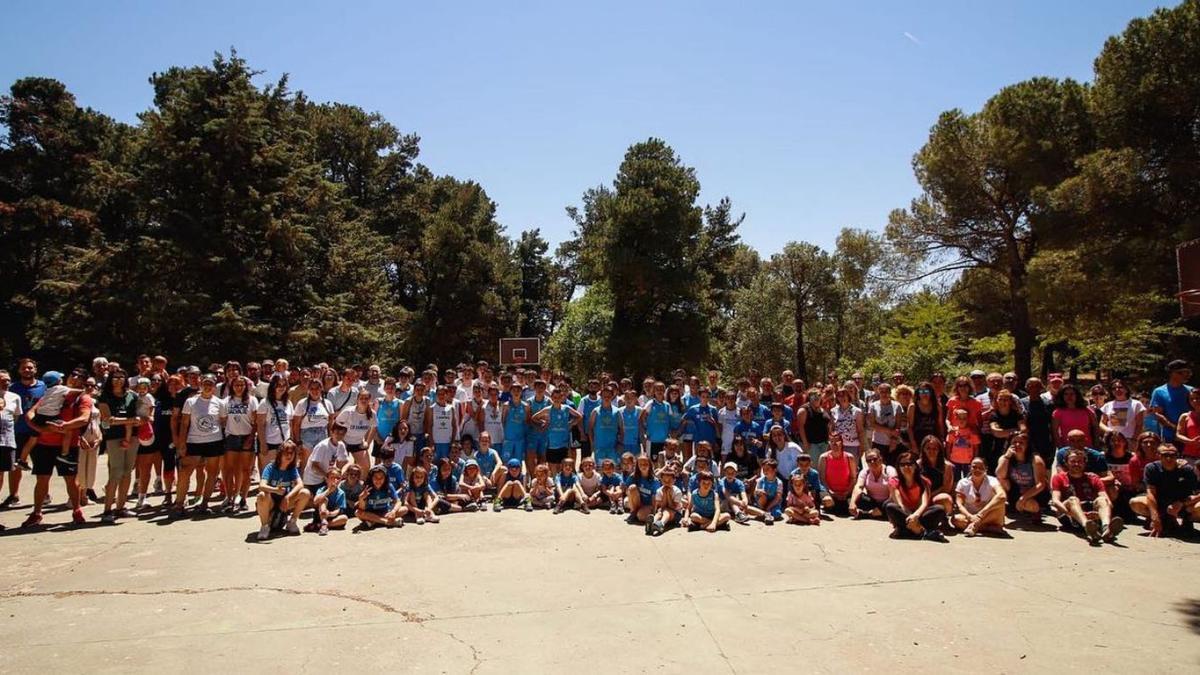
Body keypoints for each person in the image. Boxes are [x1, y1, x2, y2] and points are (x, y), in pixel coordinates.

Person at [21, 368, 92, 527]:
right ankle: (37, 513)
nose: (74, 378)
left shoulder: (82, 398)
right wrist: (42, 429)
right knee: (42, 479)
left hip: (67, 445)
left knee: (71, 480)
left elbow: (84, 418)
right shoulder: (50, 393)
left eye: (79, 377)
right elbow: (30, 414)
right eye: (72, 374)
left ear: (83, 381)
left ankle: (77, 510)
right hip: (44, 444)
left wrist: (65, 426)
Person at [174, 374, 227, 517]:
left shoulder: (220, 403)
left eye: (211, 384)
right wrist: (182, 444)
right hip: (194, 441)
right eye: (205, 384)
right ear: (201, 385)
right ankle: (179, 504)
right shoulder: (190, 402)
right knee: (185, 472)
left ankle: (204, 504)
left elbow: (222, 422)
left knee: (212, 473)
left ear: (214, 387)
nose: (208, 387)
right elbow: (184, 423)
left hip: (214, 441)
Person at [1051, 448, 1123, 544]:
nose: (1076, 464)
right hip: (1069, 514)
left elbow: (1107, 500)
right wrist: (1071, 514)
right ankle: (1087, 527)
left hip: (1091, 513)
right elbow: (1055, 501)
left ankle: (1106, 528)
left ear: (1085, 463)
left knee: (1102, 500)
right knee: (1073, 499)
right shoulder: (1059, 478)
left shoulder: (1093, 477)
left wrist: (1098, 515)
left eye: (1080, 461)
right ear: (1066, 463)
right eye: (1073, 461)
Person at [1130, 444, 1200, 538]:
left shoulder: (1187, 469)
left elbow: (1197, 493)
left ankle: (1187, 522)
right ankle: (1163, 520)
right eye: (1165, 455)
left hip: (1183, 505)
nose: (1169, 458)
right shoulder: (1151, 468)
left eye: (1172, 455)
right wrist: (1154, 516)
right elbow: (1150, 493)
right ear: (1158, 455)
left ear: (1177, 456)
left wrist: (1181, 503)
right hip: (1161, 503)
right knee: (1135, 502)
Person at [885, 451, 948, 541]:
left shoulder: (924, 481)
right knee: (890, 506)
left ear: (915, 465)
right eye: (902, 464)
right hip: (905, 513)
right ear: (898, 467)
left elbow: (924, 503)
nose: (906, 467)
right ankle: (922, 532)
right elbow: (900, 504)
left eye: (909, 463)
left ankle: (906, 531)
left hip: (920, 514)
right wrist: (911, 518)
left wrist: (916, 516)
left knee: (939, 509)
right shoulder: (894, 482)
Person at [221, 375, 258, 513]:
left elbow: (255, 422)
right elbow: (223, 421)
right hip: (231, 437)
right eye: (236, 385)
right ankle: (230, 497)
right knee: (229, 469)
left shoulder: (252, 401)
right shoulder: (226, 401)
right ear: (232, 386)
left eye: (242, 385)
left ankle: (243, 498)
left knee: (246, 470)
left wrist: (250, 437)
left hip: (247, 437)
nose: (239, 387)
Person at [255, 441, 305, 540]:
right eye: (286, 453)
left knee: (305, 493)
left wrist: (288, 496)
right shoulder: (271, 467)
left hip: (285, 502)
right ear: (280, 454)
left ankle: (292, 522)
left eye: (292, 453)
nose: (289, 456)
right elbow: (261, 486)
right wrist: (275, 490)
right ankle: (264, 526)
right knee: (261, 495)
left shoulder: (292, 468)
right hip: (271, 501)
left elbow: (300, 484)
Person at [996, 433, 1048, 523]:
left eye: (1021, 442)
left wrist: (1023, 498)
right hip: (1016, 490)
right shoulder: (1005, 458)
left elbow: (1041, 484)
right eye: (1014, 442)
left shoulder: (1036, 460)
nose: (1017, 445)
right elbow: (1000, 476)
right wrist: (1007, 457)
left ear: (1027, 445)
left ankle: (1035, 511)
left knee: (1032, 505)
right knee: (1000, 480)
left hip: (1034, 492)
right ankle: (1010, 505)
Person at [951, 457, 1007, 537]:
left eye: (981, 468)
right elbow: (959, 505)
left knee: (1001, 503)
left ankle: (975, 526)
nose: (977, 470)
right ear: (970, 468)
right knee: (955, 519)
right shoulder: (963, 483)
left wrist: (980, 515)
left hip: (989, 515)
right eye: (974, 467)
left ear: (986, 469)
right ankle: (987, 528)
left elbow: (1002, 495)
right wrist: (970, 516)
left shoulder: (992, 480)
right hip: (970, 516)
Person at [1148, 360, 1193, 445]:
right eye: (1182, 373)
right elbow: (1158, 415)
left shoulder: (1191, 391)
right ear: (1172, 373)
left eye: (1188, 373)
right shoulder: (1159, 392)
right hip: (1170, 437)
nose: (1186, 376)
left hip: (1191, 436)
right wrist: (1176, 428)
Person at [336, 389, 376, 473]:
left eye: (366, 398)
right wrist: (339, 441)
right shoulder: (348, 411)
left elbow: (374, 428)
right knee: (341, 469)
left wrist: (367, 443)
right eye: (361, 398)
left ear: (369, 400)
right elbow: (336, 424)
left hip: (358, 443)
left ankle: (360, 484)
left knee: (366, 467)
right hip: (344, 442)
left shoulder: (372, 414)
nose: (364, 400)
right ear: (357, 399)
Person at [849, 449, 896, 520]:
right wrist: (852, 503)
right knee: (854, 499)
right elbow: (858, 487)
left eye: (875, 459)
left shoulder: (889, 470)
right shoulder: (865, 472)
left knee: (890, 506)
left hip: (887, 501)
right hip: (872, 502)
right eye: (869, 460)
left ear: (880, 459)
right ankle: (877, 513)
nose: (872, 462)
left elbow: (894, 491)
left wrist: (882, 507)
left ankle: (867, 514)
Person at [818, 435, 858, 515]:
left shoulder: (849, 457)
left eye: (837, 441)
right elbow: (822, 479)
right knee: (828, 501)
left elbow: (853, 478)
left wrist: (847, 492)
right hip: (830, 492)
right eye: (832, 441)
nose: (834, 444)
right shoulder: (823, 457)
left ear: (842, 443)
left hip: (846, 492)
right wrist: (831, 492)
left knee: (853, 506)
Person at [356, 465, 405, 530]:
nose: (378, 480)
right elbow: (361, 509)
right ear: (371, 478)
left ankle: (373, 522)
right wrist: (361, 498)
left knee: (404, 509)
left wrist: (393, 511)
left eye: (381, 478)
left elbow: (398, 501)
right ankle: (386, 522)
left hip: (385, 512)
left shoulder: (389, 486)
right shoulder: (367, 487)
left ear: (385, 478)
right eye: (375, 477)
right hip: (370, 512)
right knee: (358, 513)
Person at [1051, 384, 1097, 449]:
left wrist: (1096, 444)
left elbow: (1095, 428)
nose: (1069, 396)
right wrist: (1060, 447)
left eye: (1072, 394)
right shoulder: (1057, 412)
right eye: (1066, 394)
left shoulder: (1087, 411)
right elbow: (1055, 432)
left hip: (1087, 447)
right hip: (1067, 449)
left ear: (1077, 395)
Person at [307, 466, 349, 535]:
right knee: (324, 499)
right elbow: (315, 501)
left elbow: (338, 510)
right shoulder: (322, 489)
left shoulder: (341, 493)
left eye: (338, 478)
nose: (335, 480)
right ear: (326, 479)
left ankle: (319, 525)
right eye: (332, 478)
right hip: (320, 515)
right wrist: (328, 491)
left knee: (344, 518)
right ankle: (323, 522)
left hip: (332, 516)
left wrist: (329, 514)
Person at [646, 466, 684, 536]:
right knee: (659, 512)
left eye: (669, 480)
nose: (667, 483)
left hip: (676, 514)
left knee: (666, 511)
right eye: (664, 481)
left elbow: (673, 507)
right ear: (661, 480)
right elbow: (661, 506)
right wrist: (664, 495)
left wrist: (667, 495)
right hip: (664, 511)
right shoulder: (659, 491)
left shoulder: (677, 491)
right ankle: (653, 523)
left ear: (674, 480)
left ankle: (661, 524)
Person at [946, 407, 980, 481]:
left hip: (968, 461)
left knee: (968, 480)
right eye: (959, 418)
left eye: (964, 418)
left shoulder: (972, 432)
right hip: (954, 460)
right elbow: (948, 447)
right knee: (955, 480)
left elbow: (976, 448)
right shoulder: (952, 431)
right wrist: (948, 459)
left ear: (967, 419)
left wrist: (974, 460)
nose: (962, 420)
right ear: (956, 419)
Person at [624, 454, 659, 524]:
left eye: (646, 464)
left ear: (650, 465)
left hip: (648, 505)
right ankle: (633, 512)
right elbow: (626, 491)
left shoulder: (654, 481)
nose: (643, 466)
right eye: (641, 464)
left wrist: (654, 512)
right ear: (637, 466)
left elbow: (654, 499)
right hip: (636, 502)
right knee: (632, 487)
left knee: (641, 517)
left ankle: (637, 513)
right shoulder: (633, 476)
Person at [750, 458, 784, 524]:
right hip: (762, 502)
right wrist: (758, 492)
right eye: (764, 469)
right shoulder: (760, 480)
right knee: (762, 494)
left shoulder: (779, 482)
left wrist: (769, 507)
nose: (765, 471)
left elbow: (778, 497)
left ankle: (764, 513)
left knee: (777, 513)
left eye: (768, 469)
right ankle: (764, 512)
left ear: (775, 470)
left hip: (773, 503)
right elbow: (755, 493)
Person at [1173, 388, 1200, 467]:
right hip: (1190, 457)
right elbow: (1178, 435)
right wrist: (1190, 441)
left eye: (1197, 398)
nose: (1195, 401)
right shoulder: (1185, 416)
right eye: (1192, 399)